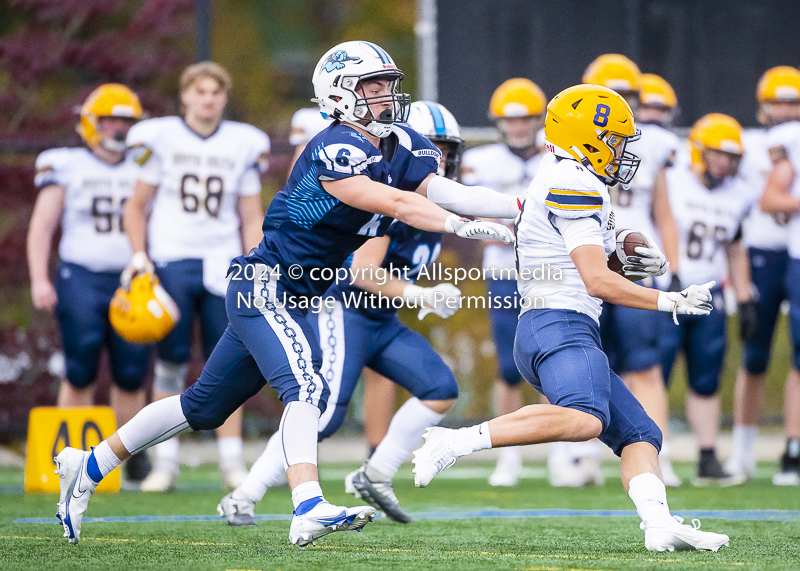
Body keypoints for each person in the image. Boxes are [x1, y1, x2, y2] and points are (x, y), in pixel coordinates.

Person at [53, 40, 519, 547]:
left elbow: (446, 189)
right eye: (374, 86)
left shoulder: (400, 143)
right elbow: (394, 201)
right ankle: (309, 505)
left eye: (388, 84)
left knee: (202, 407)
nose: (387, 95)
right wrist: (460, 225)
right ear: (340, 93)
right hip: (265, 284)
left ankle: (88, 464)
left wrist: (520, 205)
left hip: (298, 295)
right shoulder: (335, 145)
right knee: (307, 388)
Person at [411, 84, 731, 553]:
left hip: (562, 324)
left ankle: (658, 523)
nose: (622, 150)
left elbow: (592, 267)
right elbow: (596, 281)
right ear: (591, 137)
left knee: (642, 434)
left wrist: (625, 256)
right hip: (556, 322)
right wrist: (671, 301)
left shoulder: (569, 175)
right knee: (585, 419)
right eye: (616, 138)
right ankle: (455, 442)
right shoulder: (574, 181)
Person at [218, 100, 466, 527]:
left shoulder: (431, 200)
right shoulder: (390, 201)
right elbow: (364, 272)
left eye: (445, 150)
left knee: (439, 386)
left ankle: (376, 474)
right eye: (431, 148)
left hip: (382, 320)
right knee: (325, 414)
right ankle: (245, 495)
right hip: (346, 311)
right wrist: (421, 295)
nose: (438, 159)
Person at [121, 62, 269, 491]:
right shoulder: (160, 137)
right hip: (172, 259)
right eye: (200, 91)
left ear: (224, 97)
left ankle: (230, 462)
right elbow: (136, 206)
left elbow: (249, 214)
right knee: (170, 364)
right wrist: (139, 256)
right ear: (185, 95)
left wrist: (255, 261)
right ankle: (165, 463)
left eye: (216, 92)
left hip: (223, 263)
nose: (208, 99)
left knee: (233, 360)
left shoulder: (244, 142)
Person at [27, 84, 152, 483]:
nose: (118, 128)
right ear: (90, 123)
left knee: (131, 372)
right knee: (79, 367)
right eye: (111, 120)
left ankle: (124, 460)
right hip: (80, 274)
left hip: (129, 278)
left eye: (126, 121)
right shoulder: (65, 164)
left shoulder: (143, 165)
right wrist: (38, 278)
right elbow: (42, 226)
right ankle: (66, 457)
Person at [583, 57, 683, 487]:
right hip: (586, 260)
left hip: (636, 264)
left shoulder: (653, 144)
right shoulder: (570, 139)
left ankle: (657, 454)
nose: (621, 104)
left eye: (628, 97)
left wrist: (674, 268)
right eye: (612, 96)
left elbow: (664, 212)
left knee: (646, 366)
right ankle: (578, 457)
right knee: (584, 362)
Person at [287, 105, 396, 460]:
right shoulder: (317, 177)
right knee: (323, 399)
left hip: (367, 301)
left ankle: (377, 461)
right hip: (331, 293)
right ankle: (260, 475)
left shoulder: (374, 163)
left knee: (431, 384)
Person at [658, 114, 756, 485]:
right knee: (656, 375)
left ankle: (707, 456)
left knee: (706, 380)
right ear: (698, 149)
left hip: (709, 294)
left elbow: (735, 246)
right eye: (716, 153)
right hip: (667, 290)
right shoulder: (671, 180)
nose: (723, 163)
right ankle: (657, 452)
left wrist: (744, 297)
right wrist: (669, 271)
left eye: (730, 157)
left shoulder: (739, 194)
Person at [461, 78, 548, 487]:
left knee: (552, 362)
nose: (518, 127)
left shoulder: (557, 157)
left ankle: (560, 455)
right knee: (510, 368)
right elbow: (471, 214)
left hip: (550, 271)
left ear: (538, 120)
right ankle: (509, 458)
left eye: (526, 119)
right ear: (499, 123)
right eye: (511, 120)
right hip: (502, 272)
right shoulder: (485, 161)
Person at [725, 66, 795, 482]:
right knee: (753, 356)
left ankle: (792, 447)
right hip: (759, 254)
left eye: (793, 102)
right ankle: (742, 451)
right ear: (762, 106)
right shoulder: (748, 145)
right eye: (778, 101)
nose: (786, 110)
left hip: (796, 254)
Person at [758, 66, 800, 486]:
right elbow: (771, 197)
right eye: (780, 101)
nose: (787, 110)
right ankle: (793, 448)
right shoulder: (786, 142)